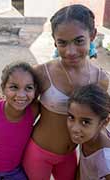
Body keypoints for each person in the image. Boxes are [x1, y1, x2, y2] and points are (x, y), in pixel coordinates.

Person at [22, 4, 109, 180]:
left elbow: (99, 120)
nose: (70, 51)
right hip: (39, 153)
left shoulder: (101, 79)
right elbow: (13, 100)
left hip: (70, 157)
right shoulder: (41, 73)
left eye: (79, 41)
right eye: (62, 42)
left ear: (92, 36)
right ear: (54, 41)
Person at [0, 61, 40, 180]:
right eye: (14, 87)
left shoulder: (34, 109)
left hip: (14, 171)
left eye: (28, 88)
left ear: (35, 90)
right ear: (3, 89)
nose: (21, 95)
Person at [67, 84, 110, 180]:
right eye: (71, 117)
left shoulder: (105, 158)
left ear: (104, 122)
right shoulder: (89, 136)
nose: (75, 128)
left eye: (85, 122)